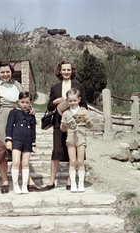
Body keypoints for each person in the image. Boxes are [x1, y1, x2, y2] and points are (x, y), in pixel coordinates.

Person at [0, 61, 43, 194]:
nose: (5, 74)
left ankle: (29, 182)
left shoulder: (17, 85)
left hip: (19, 118)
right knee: (2, 154)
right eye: (2, 72)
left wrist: (30, 110)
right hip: (1, 120)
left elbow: (25, 100)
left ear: (12, 72)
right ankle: (5, 182)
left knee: (17, 151)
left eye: (8, 71)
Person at [44, 61, 88, 191]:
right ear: (60, 71)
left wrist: (79, 117)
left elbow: (84, 104)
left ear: (72, 71)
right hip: (59, 122)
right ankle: (52, 180)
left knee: (73, 151)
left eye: (69, 70)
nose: (66, 72)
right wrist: (54, 102)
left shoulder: (79, 86)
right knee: (56, 151)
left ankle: (70, 180)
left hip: (76, 125)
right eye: (64, 70)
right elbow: (48, 106)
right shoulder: (55, 87)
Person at [60, 88, 93, 192]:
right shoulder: (66, 113)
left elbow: (90, 126)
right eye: (70, 101)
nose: (72, 103)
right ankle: (73, 184)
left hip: (81, 139)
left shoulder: (83, 111)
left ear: (79, 99)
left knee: (80, 161)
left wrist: (88, 121)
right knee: (72, 161)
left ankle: (81, 183)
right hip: (70, 139)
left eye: (74, 100)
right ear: (67, 101)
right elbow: (62, 128)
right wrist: (64, 126)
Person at [6, 92, 36, 194]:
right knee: (16, 163)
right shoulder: (14, 112)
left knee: (25, 164)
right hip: (16, 141)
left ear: (30, 103)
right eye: (22, 102)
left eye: (27, 102)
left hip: (27, 142)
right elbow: (9, 127)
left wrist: (33, 144)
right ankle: (15, 185)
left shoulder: (31, 115)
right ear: (18, 102)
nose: (24, 104)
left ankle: (24, 186)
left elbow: (33, 130)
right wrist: (8, 140)